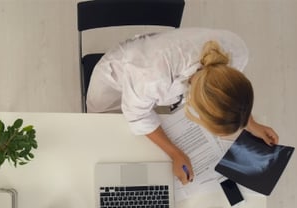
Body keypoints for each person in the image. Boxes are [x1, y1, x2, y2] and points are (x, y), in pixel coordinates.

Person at [86, 27, 279, 185]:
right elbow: (138, 117)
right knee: (106, 137)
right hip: (116, 83)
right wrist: (174, 152)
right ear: (196, 106)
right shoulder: (150, 77)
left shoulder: (237, 52)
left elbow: (230, 93)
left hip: (158, 68)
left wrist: (249, 123)